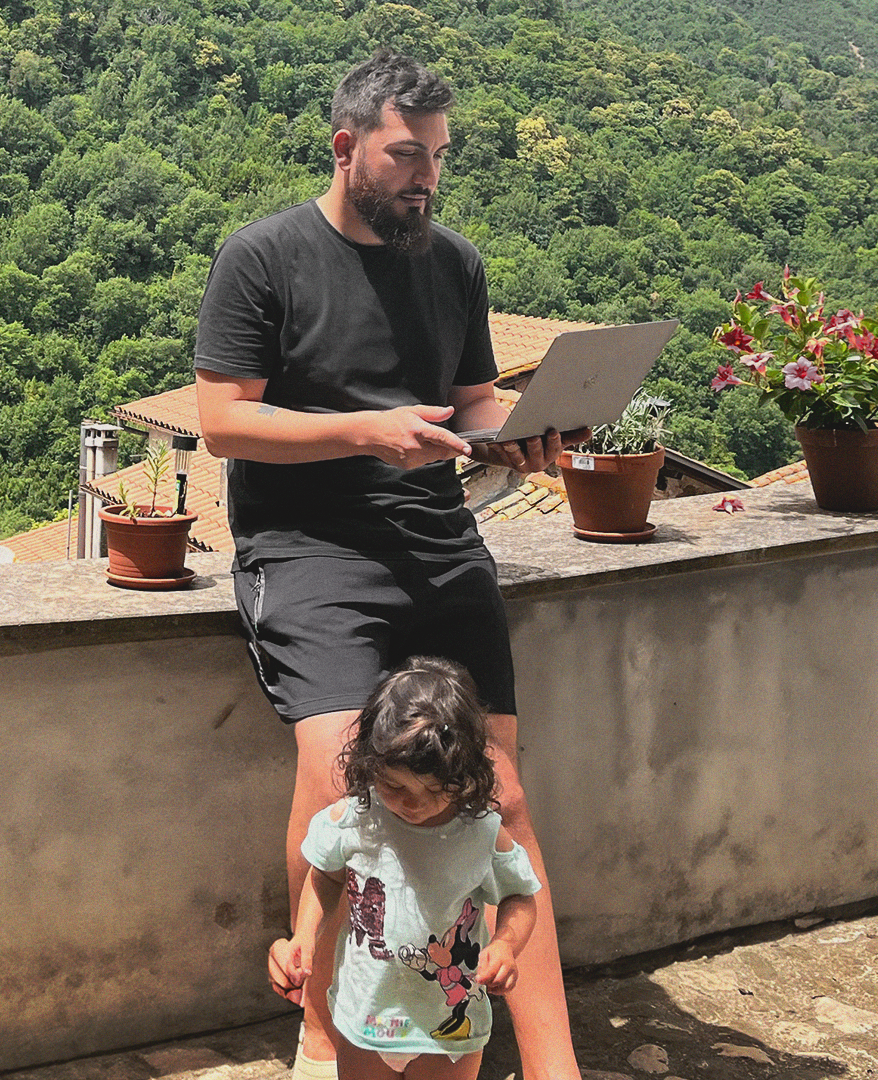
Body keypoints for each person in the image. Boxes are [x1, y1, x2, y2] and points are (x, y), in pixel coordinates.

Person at [192, 50, 584, 1079]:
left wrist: (518, 436)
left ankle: (554, 1065)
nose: (427, 179)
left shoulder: (453, 263)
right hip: (307, 546)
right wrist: (366, 432)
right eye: (408, 156)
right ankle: (321, 1034)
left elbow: (473, 401)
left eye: (439, 158)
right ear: (346, 145)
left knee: (501, 794)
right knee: (335, 783)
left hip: (438, 538)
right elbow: (224, 423)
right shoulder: (263, 257)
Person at [274, 658, 540, 1080]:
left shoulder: (481, 833)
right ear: (368, 762)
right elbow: (325, 876)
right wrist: (304, 936)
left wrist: (506, 944)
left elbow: (519, 896)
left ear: (466, 775)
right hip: (372, 1018)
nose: (411, 803)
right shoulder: (356, 818)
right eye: (394, 785)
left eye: (435, 790)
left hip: (448, 1027)